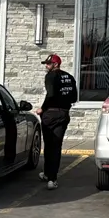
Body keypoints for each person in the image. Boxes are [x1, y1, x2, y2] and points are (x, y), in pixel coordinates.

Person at [36, 53, 77, 189]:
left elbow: (51, 94)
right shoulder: (70, 77)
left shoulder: (51, 76)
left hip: (50, 114)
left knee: (48, 145)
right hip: (63, 114)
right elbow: (73, 98)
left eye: (48, 64)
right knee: (56, 146)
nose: (46, 66)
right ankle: (52, 178)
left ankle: (48, 174)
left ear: (56, 64)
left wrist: (42, 108)